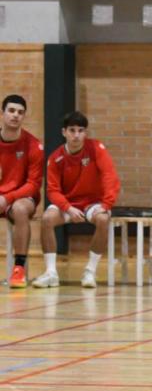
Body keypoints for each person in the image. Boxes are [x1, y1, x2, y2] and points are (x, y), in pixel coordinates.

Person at [33, 112, 121, 289]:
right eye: (72, 130)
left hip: (92, 203)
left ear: (85, 133)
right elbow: (53, 191)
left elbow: (110, 177)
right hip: (68, 204)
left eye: (80, 131)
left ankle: (90, 271)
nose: (76, 135)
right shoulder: (55, 158)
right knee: (47, 219)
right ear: (63, 132)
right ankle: (51, 273)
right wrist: (68, 208)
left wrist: (106, 204)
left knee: (103, 219)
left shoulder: (96, 148)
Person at [0, 94, 44, 289]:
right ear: (2, 113)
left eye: (20, 112)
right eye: (11, 111)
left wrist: (6, 198)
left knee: (19, 209)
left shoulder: (34, 145)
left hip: (22, 197)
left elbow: (33, 184)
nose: (15, 115)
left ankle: (19, 268)